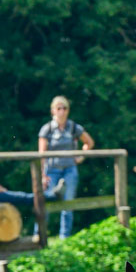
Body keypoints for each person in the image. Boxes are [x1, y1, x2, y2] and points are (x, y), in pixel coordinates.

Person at [37, 96, 94, 238]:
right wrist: (42, 175)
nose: (62, 111)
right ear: (53, 111)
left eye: (65, 108)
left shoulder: (74, 127)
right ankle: (39, 237)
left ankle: (65, 239)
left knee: (68, 205)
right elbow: (41, 154)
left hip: (69, 169)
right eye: (59, 108)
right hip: (52, 170)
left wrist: (81, 157)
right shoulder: (47, 129)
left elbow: (89, 142)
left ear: (68, 110)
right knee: (46, 204)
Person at [0, 135, 65, 210]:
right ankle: (52, 196)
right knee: (21, 196)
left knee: (20, 197)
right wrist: (7, 193)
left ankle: (50, 195)